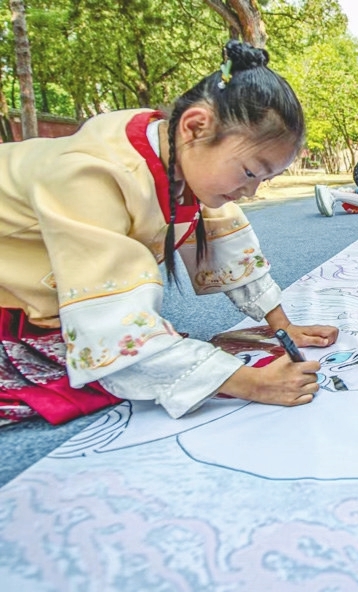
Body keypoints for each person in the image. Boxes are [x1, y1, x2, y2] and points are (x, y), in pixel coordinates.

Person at [0, 40, 339, 425]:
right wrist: (251, 383)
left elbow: (230, 242)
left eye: (266, 179)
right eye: (249, 172)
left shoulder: (179, 149)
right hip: (13, 288)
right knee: (101, 362)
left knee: (163, 353)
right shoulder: (87, 174)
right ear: (195, 126)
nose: (252, 192)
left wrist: (283, 325)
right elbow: (113, 333)